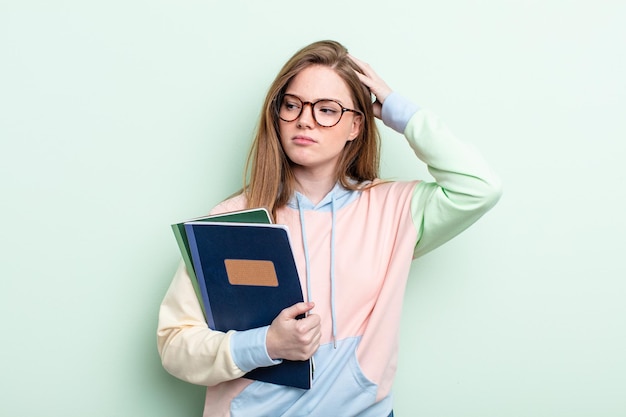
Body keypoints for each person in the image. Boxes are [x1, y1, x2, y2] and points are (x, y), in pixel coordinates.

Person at [157, 40, 502, 417]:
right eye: (292, 105)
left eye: (327, 110)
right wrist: (266, 344)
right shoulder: (233, 219)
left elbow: (480, 187)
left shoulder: (395, 209)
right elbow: (175, 345)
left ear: (356, 125)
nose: (305, 120)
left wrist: (399, 111)